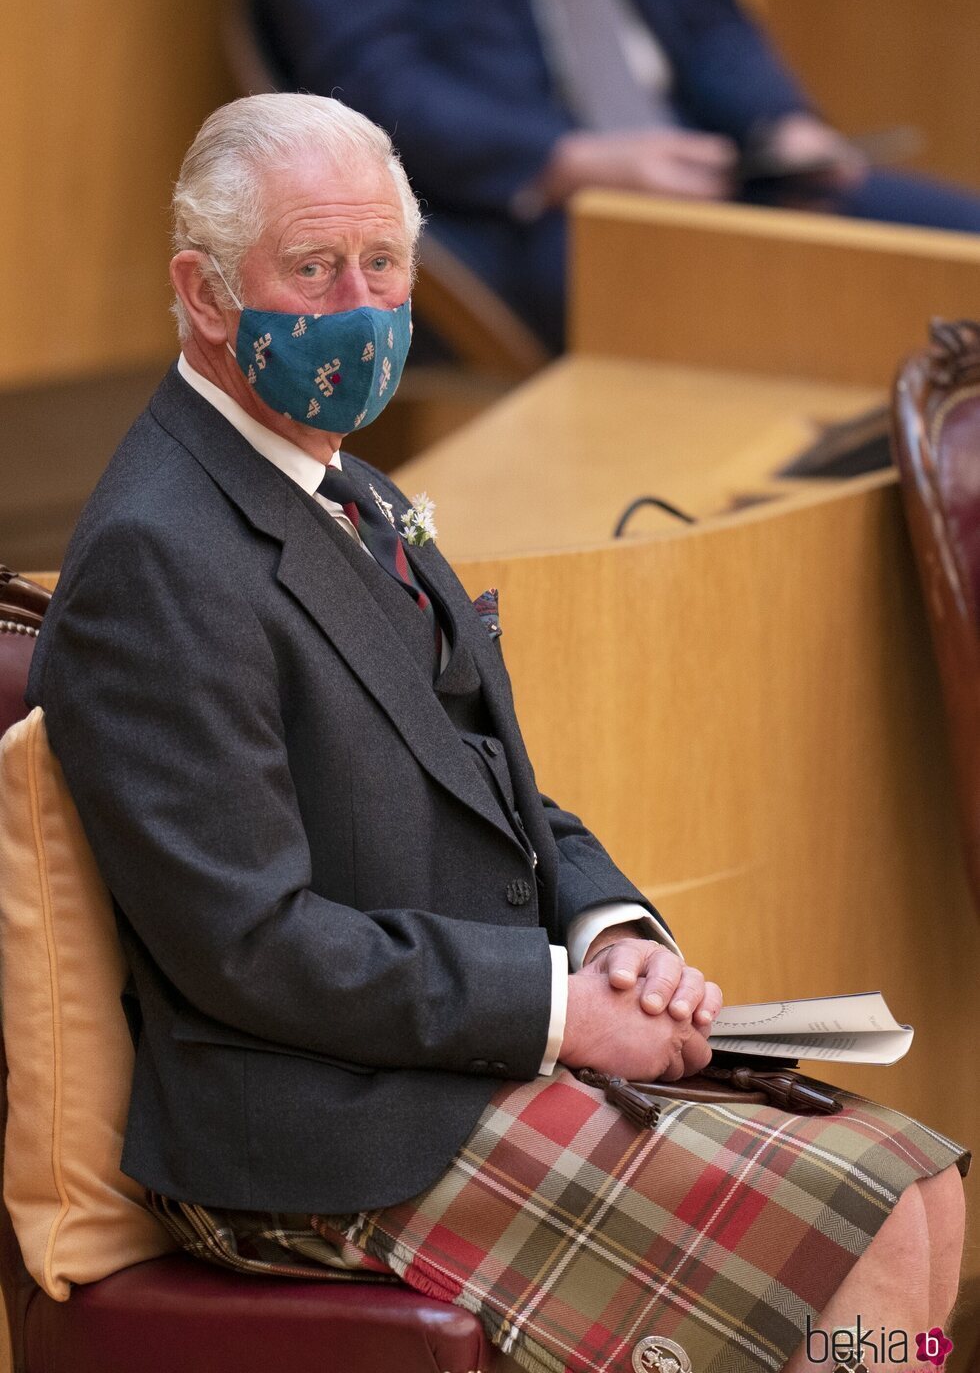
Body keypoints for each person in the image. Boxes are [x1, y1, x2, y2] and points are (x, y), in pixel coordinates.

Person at [27, 94, 967, 1373]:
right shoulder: (157, 550)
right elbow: (247, 946)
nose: (360, 306)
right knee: (855, 1240)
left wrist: (613, 936)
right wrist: (555, 1012)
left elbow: (495, 784)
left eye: (384, 265)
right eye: (312, 270)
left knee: (916, 1185)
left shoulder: (340, 477)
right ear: (202, 294)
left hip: (438, 1056)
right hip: (308, 1129)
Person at [255, 0, 980, 350]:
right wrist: (568, 160)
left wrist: (783, 125)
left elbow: (709, 15)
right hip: (520, 201)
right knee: (748, 330)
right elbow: (365, 81)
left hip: (711, 162)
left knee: (961, 250)